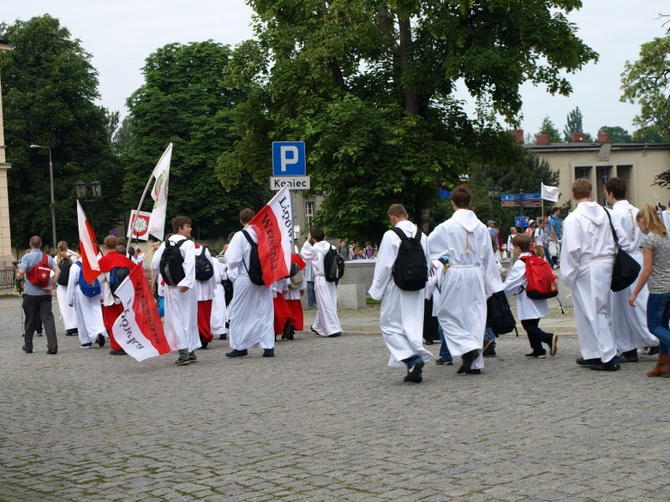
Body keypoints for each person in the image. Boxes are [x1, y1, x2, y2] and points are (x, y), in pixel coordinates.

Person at [428, 187, 503, 375]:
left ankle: (469, 350)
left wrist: (432, 266)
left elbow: (430, 249)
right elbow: (488, 256)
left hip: (456, 272)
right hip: (476, 273)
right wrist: (491, 283)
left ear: (453, 202)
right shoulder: (482, 228)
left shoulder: (447, 226)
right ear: (469, 203)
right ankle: (474, 362)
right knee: (475, 318)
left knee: (446, 313)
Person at [560, 178, 625, 371]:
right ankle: (592, 352)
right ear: (591, 193)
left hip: (586, 265)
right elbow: (621, 238)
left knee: (595, 311)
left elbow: (572, 249)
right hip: (606, 262)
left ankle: (608, 355)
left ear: (573, 196)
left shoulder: (573, 219)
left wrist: (568, 275)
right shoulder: (607, 213)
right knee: (592, 311)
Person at [368, 204, 432, 383]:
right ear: (407, 215)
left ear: (391, 217)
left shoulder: (391, 235)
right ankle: (414, 369)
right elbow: (428, 263)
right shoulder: (423, 236)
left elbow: (384, 266)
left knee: (389, 325)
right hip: (417, 287)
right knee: (412, 326)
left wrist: (376, 290)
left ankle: (412, 359)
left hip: (397, 286)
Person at [605, 178, 658, 361]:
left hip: (623, 262)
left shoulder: (612, 214)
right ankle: (635, 344)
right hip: (640, 259)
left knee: (620, 308)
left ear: (610, 193)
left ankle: (646, 340)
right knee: (640, 302)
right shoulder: (637, 211)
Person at [224, 208, 275, 358]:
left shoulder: (240, 236)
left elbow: (233, 261)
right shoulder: (265, 233)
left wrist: (227, 252)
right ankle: (268, 346)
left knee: (239, 312)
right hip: (264, 278)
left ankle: (240, 346)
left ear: (241, 221)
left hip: (246, 277)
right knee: (265, 312)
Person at [151, 216, 201, 365]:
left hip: (170, 286)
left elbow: (154, 265)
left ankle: (184, 351)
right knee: (189, 317)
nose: (190, 229)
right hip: (185, 286)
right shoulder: (188, 244)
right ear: (180, 228)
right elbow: (190, 265)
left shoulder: (165, 243)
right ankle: (189, 351)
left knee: (176, 319)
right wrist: (187, 282)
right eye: (188, 226)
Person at [629, 204, 670, 377]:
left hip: (659, 289)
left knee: (654, 326)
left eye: (638, 225)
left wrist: (635, 292)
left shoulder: (649, 240)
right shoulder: (666, 236)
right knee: (663, 326)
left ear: (643, 220)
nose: (639, 228)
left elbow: (646, 270)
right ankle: (664, 364)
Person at [504, 234, 558, 358]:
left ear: (517, 248)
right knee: (532, 323)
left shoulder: (520, 262)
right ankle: (538, 349)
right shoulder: (535, 257)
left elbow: (512, 282)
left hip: (528, 297)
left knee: (527, 324)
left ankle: (548, 338)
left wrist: (500, 293)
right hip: (539, 294)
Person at [17, 236, 61, 355]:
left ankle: (28, 346)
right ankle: (53, 347)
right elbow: (58, 270)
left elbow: (21, 272)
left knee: (30, 320)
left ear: (30, 244)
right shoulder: (47, 257)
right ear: (40, 245)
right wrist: (52, 285)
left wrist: (18, 274)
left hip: (30, 294)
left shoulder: (26, 257)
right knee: (48, 319)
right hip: (45, 293)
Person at [300, 228, 343, 337]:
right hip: (331, 278)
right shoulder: (331, 247)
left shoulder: (315, 249)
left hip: (321, 278)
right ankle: (317, 326)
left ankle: (332, 328)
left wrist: (307, 241)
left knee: (324, 303)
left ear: (313, 238)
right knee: (330, 302)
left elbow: (303, 253)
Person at [98, 235, 136, 355]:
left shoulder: (103, 261)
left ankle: (117, 346)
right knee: (125, 321)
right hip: (124, 296)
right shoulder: (124, 259)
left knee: (113, 322)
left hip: (110, 296)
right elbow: (133, 274)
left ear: (105, 246)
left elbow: (100, 279)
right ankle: (127, 344)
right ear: (116, 245)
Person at [66, 250, 107, 349]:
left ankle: (86, 341)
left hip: (81, 291)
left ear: (78, 252)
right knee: (96, 312)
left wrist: (69, 299)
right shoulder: (94, 264)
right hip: (95, 290)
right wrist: (102, 296)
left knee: (81, 316)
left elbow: (71, 283)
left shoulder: (75, 266)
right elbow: (100, 280)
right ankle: (100, 330)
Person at [55, 241, 78, 337]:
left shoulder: (56, 258)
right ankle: (77, 324)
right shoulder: (73, 256)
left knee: (64, 307)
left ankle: (69, 327)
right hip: (72, 284)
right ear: (67, 247)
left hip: (61, 286)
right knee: (74, 305)